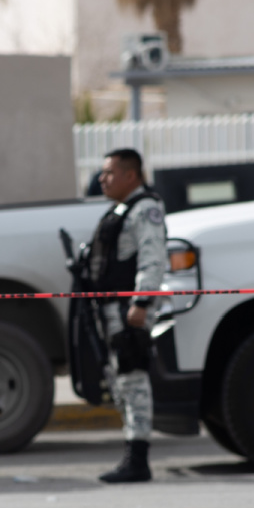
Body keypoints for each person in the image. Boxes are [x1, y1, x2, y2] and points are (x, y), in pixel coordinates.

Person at [90, 148, 166, 483]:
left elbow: (153, 258)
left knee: (133, 380)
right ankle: (131, 454)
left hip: (129, 311)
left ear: (130, 175)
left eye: (109, 173)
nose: (102, 179)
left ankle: (139, 460)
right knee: (122, 381)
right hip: (112, 309)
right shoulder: (121, 209)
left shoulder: (145, 209)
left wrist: (142, 302)